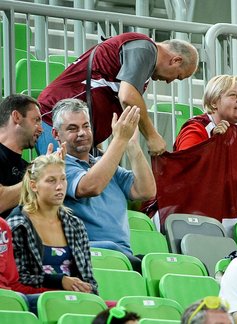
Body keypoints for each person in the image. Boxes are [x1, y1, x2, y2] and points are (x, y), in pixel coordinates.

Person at [37, 32, 200, 156]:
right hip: (54, 121)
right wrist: (152, 136)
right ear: (176, 60)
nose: (170, 82)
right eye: (178, 76)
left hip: (75, 133)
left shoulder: (144, 61)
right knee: (60, 192)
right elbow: (127, 96)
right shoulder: (145, 49)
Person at [51, 98, 156, 272]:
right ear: (55, 134)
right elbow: (91, 186)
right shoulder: (57, 165)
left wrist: (132, 145)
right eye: (72, 128)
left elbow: (146, 191)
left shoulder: (105, 164)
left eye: (86, 126)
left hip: (123, 256)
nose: (82, 133)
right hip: (91, 255)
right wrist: (120, 140)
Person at [7, 154, 97, 296]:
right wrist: (60, 281)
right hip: (38, 299)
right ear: (33, 185)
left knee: (120, 312)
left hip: (75, 299)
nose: (60, 186)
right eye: (51, 181)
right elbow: (18, 279)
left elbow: (88, 278)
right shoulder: (18, 225)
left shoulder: (76, 225)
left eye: (63, 179)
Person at [173, 75, 237, 151]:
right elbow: (186, 163)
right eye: (233, 95)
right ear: (213, 102)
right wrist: (213, 142)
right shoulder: (195, 130)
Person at [0, 94, 44, 218]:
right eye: (36, 120)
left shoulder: (27, 167)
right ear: (17, 117)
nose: (41, 129)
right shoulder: (33, 175)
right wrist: (41, 176)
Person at [0, 217, 49, 314]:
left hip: (10, 295)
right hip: (7, 298)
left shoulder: (2, 225)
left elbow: (12, 283)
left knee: (51, 301)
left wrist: (53, 292)